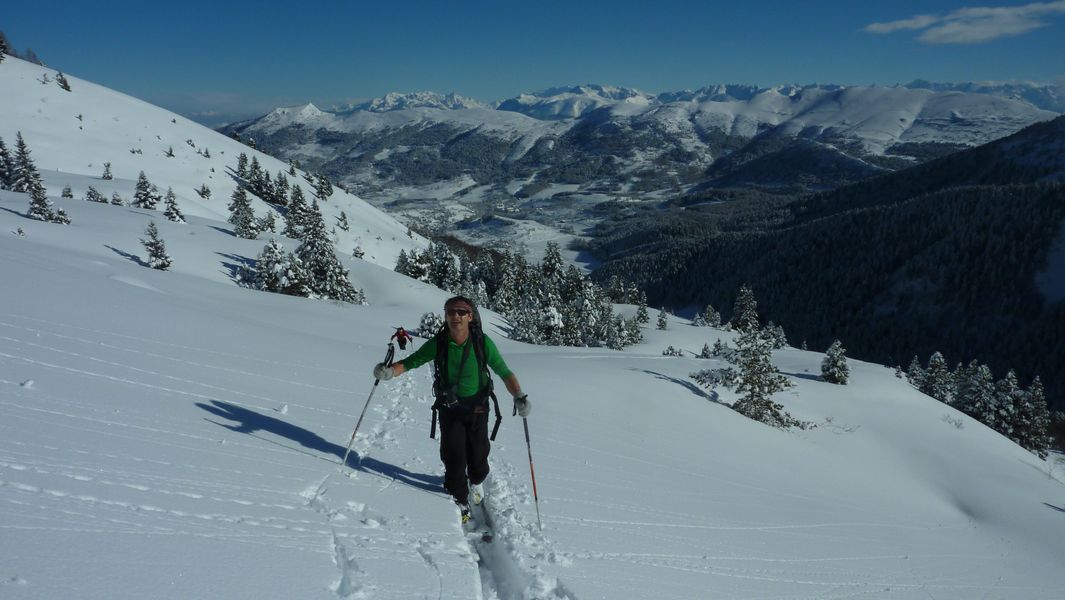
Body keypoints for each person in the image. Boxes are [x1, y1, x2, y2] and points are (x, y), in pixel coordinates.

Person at [373, 296, 530, 522]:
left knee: (478, 459)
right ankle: (459, 497)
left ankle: (475, 482)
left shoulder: (482, 342)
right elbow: (411, 362)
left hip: (478, 407)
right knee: (454, 456)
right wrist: (388, 373)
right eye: (450, 312)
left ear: (470, 316)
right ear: (445, 316)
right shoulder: (439, 343)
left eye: (461, 312)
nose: (455, 316)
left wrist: (518, 396)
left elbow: (503, 371)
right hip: (450, 409)